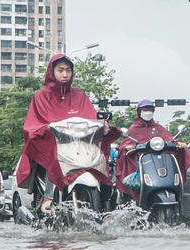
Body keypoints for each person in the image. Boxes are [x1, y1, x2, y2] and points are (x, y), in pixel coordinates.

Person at [15, 54, 120, 212]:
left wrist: (102, 124)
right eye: (60, 70)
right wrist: (45, 130)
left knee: (98, 158)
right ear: (52, 72)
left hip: (80, 146)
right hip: (54, 146)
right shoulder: (40, 97)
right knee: (53, 156)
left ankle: (106, 194)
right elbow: (33, 124)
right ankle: (48, 197)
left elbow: (91, 117)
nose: (65, 74)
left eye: (68, 70)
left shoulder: (80, 96)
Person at [115, 99, 190, 201]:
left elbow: (169, 138)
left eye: (150, 110)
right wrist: (128, 147)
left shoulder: (158, 127)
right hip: (141, 162)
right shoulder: (133, 128)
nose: (148, 112)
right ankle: (132, 200)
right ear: (139, 112)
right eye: (145, 110)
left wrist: (178, 143)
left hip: (158, 162)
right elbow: (126, 143)